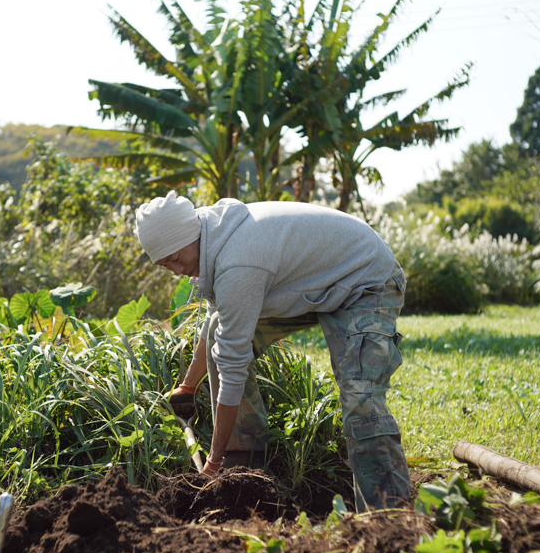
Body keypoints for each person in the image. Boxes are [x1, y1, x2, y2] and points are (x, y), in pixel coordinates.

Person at [135, 191, 411, 511]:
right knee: (220, 339)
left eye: (175, 257)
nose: (175, 269)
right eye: (164, 264)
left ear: (190, 235)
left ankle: (389, 512)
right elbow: (216, 322)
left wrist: (212, 461)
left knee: (359, 397)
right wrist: (188, 386)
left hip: (366, 280)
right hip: (317, 284)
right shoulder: (212, 236)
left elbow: (233, 368)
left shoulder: (238, 259)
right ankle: (245, 468)